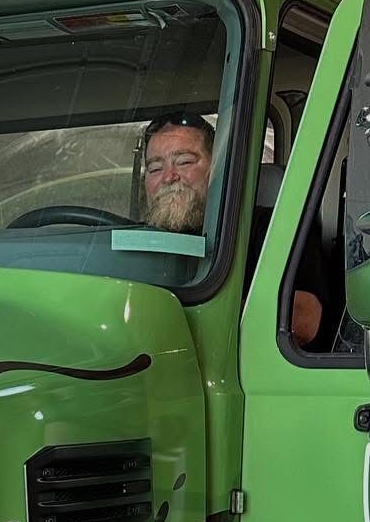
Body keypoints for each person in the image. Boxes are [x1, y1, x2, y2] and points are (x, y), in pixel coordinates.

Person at [138, 111, 325, 347]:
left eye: (184, 162)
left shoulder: (272, 230)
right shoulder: (133, 243)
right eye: (155, 168)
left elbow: (304, 321)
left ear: (217, 170)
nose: (168, 177)